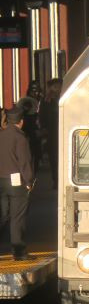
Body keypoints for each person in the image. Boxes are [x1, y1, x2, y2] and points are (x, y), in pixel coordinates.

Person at [0, 106, 34, 260]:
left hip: (0, 181)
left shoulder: (1, 135)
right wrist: (29, 181)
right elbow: (24, 162)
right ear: (21, 122)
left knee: (3, 215)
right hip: (16, 182)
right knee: (17, 216)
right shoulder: (20, 138)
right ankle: (19, 251)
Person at [41, 79, 61, 189]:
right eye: (54, 86)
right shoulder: (46, 100)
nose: (56, 89)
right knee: (54, 159)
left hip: (62, 131)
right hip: (52, 133)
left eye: (58, 86)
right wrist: (44, 129)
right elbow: (42, 115)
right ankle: (56, 180)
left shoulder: (65, 96)